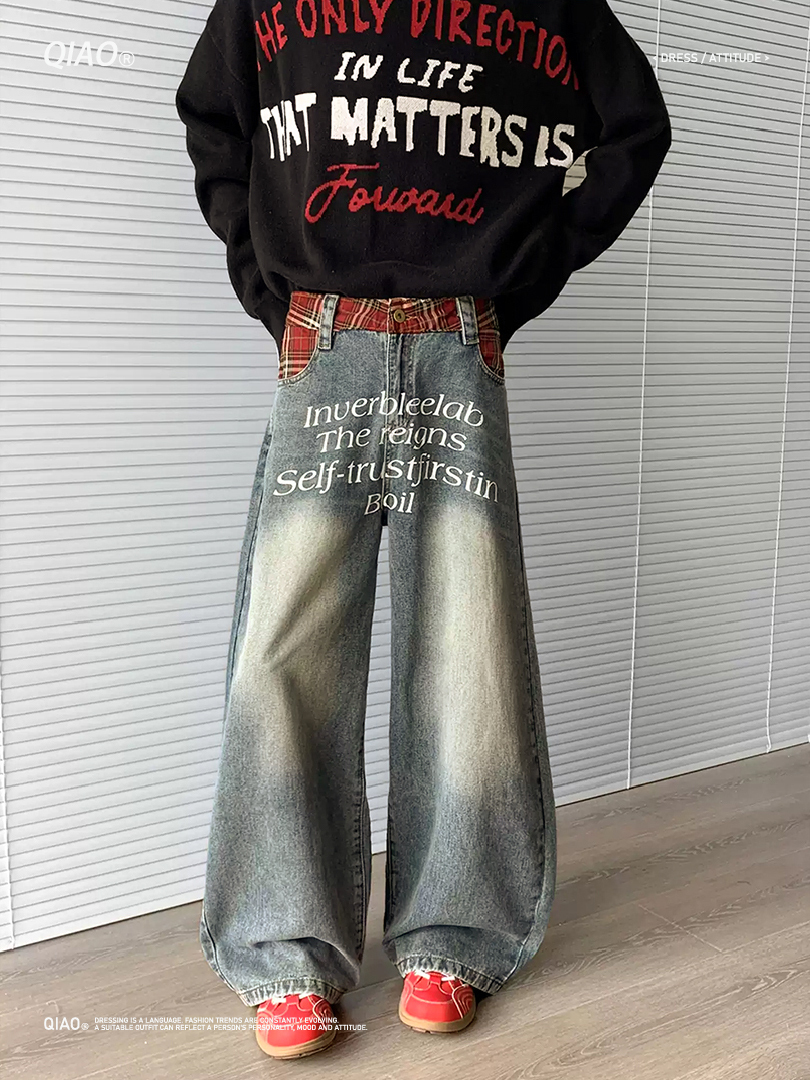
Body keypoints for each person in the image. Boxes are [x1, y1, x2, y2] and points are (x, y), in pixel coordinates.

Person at [175, 0, 671, 1059]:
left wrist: (521, 275)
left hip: (457, 342)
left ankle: (453, 935)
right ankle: (285, 950)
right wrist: (265, 283)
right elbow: (215, 117)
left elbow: (635, 127)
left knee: (467, 643)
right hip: (323, 338)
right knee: (286, 652)